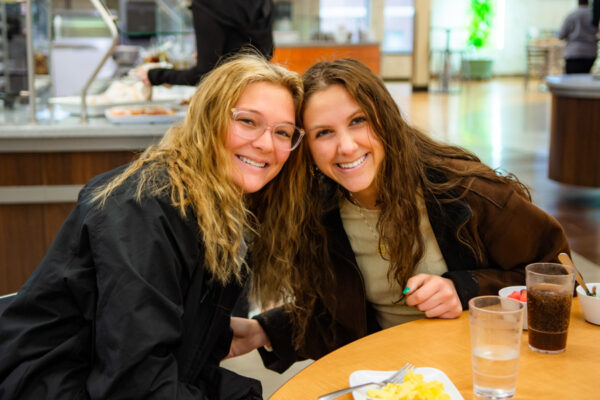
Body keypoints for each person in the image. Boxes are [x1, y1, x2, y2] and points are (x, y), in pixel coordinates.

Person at [227, 58, 570, 373]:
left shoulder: (465, 192)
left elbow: (559, 277)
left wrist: (465, 289)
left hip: (483, 372)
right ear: (307, 147)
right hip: (390, 379)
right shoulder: (319, 214)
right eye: (324, 133)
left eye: (358, 121)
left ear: (386, 119)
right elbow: (341, 322)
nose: (346, 146)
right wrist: (265, 330)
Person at [0, 53, 306, 399]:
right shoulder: (144, 210)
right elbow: (136, 385)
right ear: (208, 118)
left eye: (283, 132)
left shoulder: (220, 204)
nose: (267, 144)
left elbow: (183, 359)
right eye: (248, 121)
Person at [137, 0, 274, 86]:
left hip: (227, 99)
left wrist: (156, 76)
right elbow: (266, 50)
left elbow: (204, 74)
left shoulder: (206, 4)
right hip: (259, 90)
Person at [558, 0, 599, 74]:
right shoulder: (594, 15)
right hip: (591, 52)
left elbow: (561, 35)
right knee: (585, 77)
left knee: (571, 80)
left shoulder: (572, 15)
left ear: (578, 2)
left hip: (574, 52)